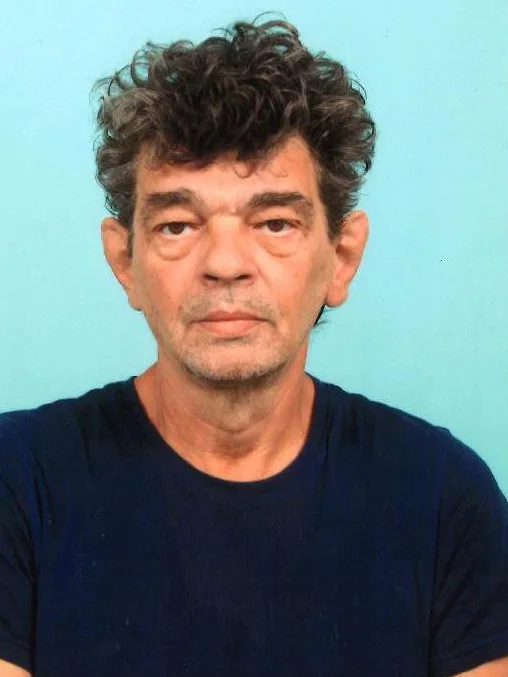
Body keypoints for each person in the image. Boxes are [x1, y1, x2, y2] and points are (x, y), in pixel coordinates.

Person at [0, 18, 507, 677]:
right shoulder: (17, 483)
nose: (226, 264)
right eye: (178, 225)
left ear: (342, 257)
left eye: (274, 223)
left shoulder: (444, 498)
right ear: (125, 262)